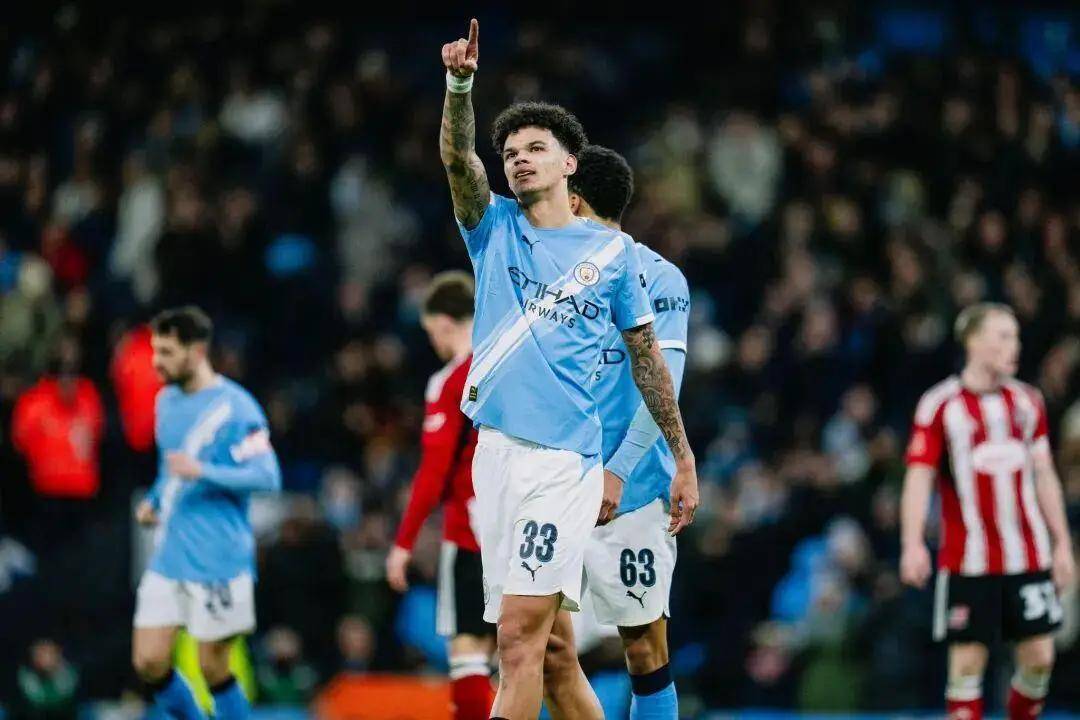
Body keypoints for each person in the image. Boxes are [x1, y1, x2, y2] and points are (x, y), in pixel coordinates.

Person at [439, 19, 699, 720]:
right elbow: (458, 159)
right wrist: (459, 87)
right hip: (495, 455)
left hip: (565, 462)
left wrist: (680, 455)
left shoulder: (616, 258)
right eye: (510, 153)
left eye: (535, 149)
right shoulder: (492, 229)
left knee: (519, 639)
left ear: (569, 166)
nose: (518, 160)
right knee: (542, 647)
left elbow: (649, 363)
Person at [900, 303, 1076, 720]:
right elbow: (919, 477)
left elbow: (1044, 474)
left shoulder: (1028, 401)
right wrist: (912, 543)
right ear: (973, 341)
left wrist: (1062, 544)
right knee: (966, 667)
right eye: (1003, 336)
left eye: (1015, 336)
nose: (1014, 346)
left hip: (1028, 555)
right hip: (968, 560)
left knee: (1040, 659)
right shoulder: (940, 405)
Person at [570, 145, 690, 719]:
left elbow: (664, 383)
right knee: (533, 644)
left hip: (632, 492)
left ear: (573, 201)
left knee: (644, 651)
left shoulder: (660, 277)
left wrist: (617, 470)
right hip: (554, 483)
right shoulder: (548, 280)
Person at [131, 306, 282, 720]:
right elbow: (171, 468)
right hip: (171, 553)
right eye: (155, 351)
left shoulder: (237, 408)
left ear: (196, 352)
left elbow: (267, 475)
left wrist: (205, 471)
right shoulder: (166, 402)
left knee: (213, 667)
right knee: (149, 661)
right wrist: (155, 501)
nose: (156, 362)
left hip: (220, 558)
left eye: (166, 352)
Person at [386, 270, 495, 720]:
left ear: (444, 324)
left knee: (468, 652)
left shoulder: (451, 381)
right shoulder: (509, 365)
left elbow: (432, 473)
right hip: (526, 527)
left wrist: (404, 542)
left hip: (471, 533)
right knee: (526, 655)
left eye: (431, 332)